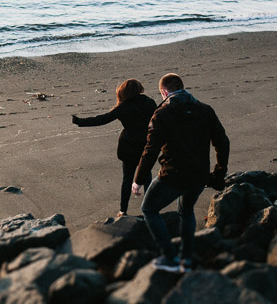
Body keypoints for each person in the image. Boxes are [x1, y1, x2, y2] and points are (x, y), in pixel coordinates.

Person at [132, 73, 230, 273]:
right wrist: (218, 173)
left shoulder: (162, 114)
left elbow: (150, 150)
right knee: (186, 211)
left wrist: (138, 180)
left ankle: (169, 257)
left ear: (164, 92)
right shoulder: (205, 110)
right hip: (199, 175)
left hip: (173, 175)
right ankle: (186, 258)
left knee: (149, 209)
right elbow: (222, 142)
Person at [72, 79, 157, 217]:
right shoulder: (150, 102)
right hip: (146, 145)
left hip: (129, 146)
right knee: (146, 176)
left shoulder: (124, 107)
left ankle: (123, 210)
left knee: (127, 178)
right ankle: (150, 209)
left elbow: (102, 119)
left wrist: (79, 121)